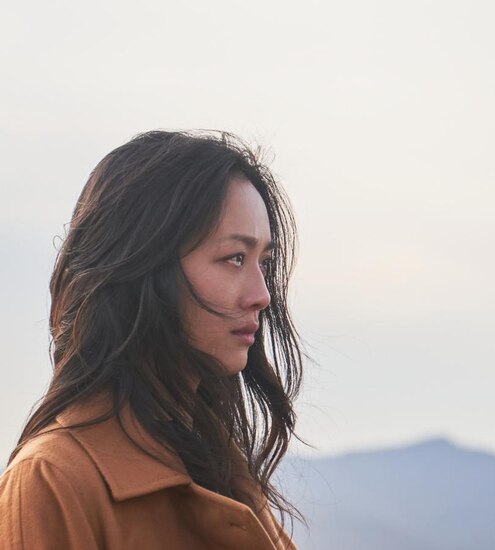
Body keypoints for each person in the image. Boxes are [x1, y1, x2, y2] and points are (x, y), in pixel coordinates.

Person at [0, 131, 303, 549]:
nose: (262, 295)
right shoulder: (54, 481)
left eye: (264, 263)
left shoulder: (225, 475)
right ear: (145, 267)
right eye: (234, 258)